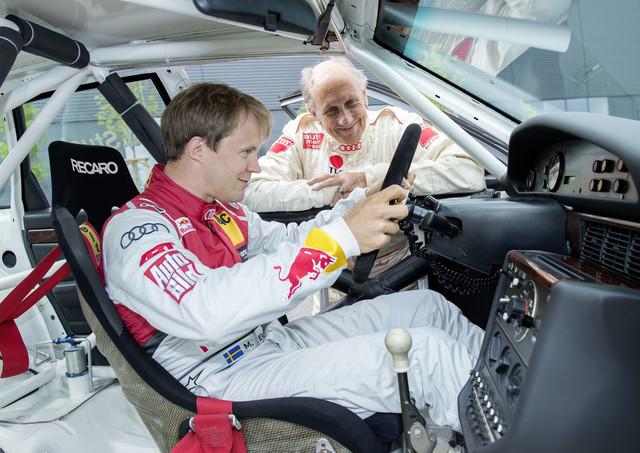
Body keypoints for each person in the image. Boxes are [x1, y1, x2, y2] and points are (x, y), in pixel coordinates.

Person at [101, 83, 484, 431]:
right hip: (219, 377)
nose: (255, 166)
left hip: (264, 342)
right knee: (426, 356)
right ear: (199, 149)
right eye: (246, 152)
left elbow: (288, 240)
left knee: (427, 308)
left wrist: (356, 209)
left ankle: (508, 393)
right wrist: (342, 239)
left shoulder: (220, 211)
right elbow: (204, 309)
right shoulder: (138, 229)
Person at [242, 57, 485, 287]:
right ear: (313, 112)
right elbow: (251, 192)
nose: (345, 119)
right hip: (328, 276)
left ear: (365, 96)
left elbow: (469, 169)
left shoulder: (397, 125)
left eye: (351, 103)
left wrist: (367, 179)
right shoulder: (300, 134)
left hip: (399, 273)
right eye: (331, 111)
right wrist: (332, 193)